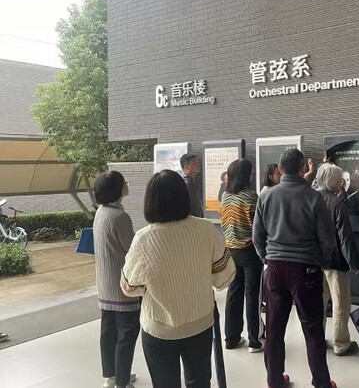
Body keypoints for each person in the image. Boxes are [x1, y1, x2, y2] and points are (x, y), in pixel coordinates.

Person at [121, 170, 235, 388]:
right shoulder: (206, 228)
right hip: (200, 323)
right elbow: (224, 277)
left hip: (159, 328)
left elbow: (128, 286)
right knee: (199, 382)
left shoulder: (143, 239)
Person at [253, 149, 338, 388]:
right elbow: (327, 240)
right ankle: (321, 383)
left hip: (275, 270)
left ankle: (274, 381)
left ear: (280, 170)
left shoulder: (266, 197)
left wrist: (267, 258)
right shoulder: (314, 198)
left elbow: (257, 237)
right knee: (313, 330)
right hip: (306, 270)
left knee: (274, 329)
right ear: (303, 169)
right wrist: (321, 261)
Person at [93, 171, 140, 388]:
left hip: (104, 284)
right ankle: (122, 381)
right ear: (117, 189)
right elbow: (133, 250)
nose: (126, 185)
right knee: (127, 334)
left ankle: (111, 376)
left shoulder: (101, 212)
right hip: (121, 287)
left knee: (108, 332)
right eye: (124, 183)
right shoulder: (119, 217)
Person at [316, 163, 359, 357]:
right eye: (340, 180)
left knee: (318, 302)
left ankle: (317, 339)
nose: (342, 183)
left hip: (314, 260)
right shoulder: (337, 204)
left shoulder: (311, 199)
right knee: (340, 303)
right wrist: (354, 262)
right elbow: (345, 237)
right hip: (335, 260)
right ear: (333, 181)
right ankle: (341, 343)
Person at [220, 159, 263, 352]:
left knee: (233, 293)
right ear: (245, 175)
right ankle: (255, 341)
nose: (252, 175)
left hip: (231, 251)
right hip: (250, 251)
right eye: (251, 172)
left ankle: (231, 338)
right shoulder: (251, 197)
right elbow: (257, 227)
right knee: (252, 295)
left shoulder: (225, 196)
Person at [180, 153, 204, 218]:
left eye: (197, 162)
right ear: (187, 167)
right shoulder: (187, 185)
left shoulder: (190, 182)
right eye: (195, 163)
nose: (198, 165)